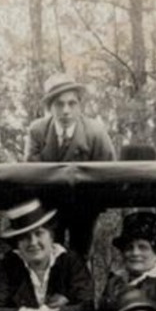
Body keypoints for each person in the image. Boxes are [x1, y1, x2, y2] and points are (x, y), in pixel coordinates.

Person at [0, 199, 96, 311]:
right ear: (17, 242)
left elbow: (86, 305)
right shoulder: (11, 264)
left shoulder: (70, 260)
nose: (33, 242)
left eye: (39, 233)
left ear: (51, 235)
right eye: (25, 237)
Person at [23, 72, 117, 254]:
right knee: (48, 256)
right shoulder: (38, 131)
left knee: (79, 256)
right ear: (50, 107)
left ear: (80, 105)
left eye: (72, 103)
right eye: (59, 104)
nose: (66, 110)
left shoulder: (95, 132)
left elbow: (109, 172)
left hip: (84, 206)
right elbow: (30, 173)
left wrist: (93, 205)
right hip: (48, 207)